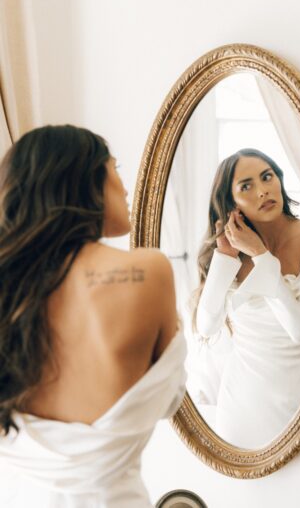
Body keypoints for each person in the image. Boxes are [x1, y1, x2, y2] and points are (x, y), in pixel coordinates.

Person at [0, 125, 186, 507]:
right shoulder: (149, 271)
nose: (125, 186)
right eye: (115, 169)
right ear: (85, 179)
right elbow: (170, 400)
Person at [193, 148, 300, 448]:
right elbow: (206, 326)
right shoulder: (231, 254)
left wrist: (261, 256)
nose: (263, 190)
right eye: (247, 186)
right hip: (239, 410)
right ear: (231, 205)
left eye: (267, 177)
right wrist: (224, 258)